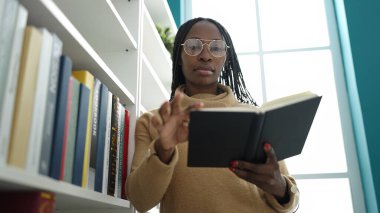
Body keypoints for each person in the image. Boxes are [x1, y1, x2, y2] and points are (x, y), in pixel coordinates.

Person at [126, 17, 299, 213]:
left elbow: (291, 202)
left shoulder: (255, 118)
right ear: (178, 56)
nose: (206, 56)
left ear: (225, 58)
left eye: (216, 48)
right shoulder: (154, 122)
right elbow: (139, 200)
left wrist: (279, 187)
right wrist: (163, 150)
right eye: (193, 46)